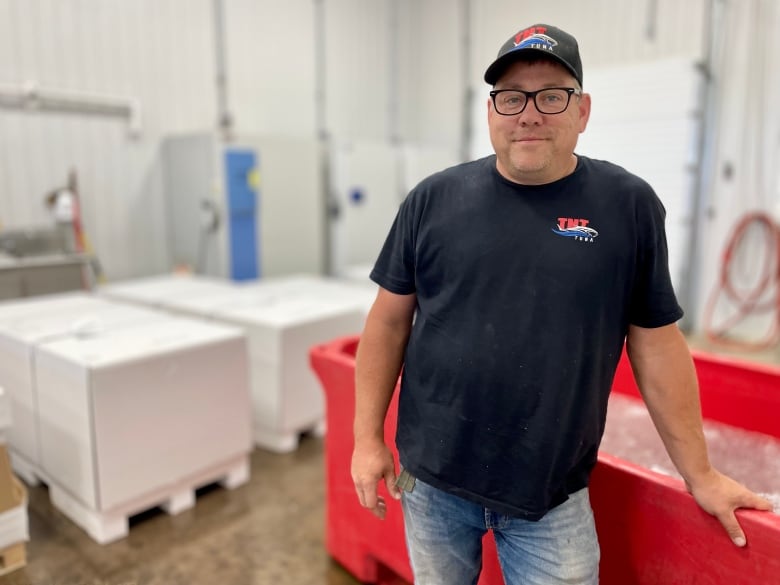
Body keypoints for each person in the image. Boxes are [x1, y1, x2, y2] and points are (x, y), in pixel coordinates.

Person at [351, 22, 772, 585]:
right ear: (491, 111)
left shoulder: (628, 207)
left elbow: (657, 345)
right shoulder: (433, 200)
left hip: (551, 498)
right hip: (431, 483)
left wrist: (701, 474)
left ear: (582, 110)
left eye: (551, 96)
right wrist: (366, 439)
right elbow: (387, 323)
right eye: (511, 97)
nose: (529, 113)